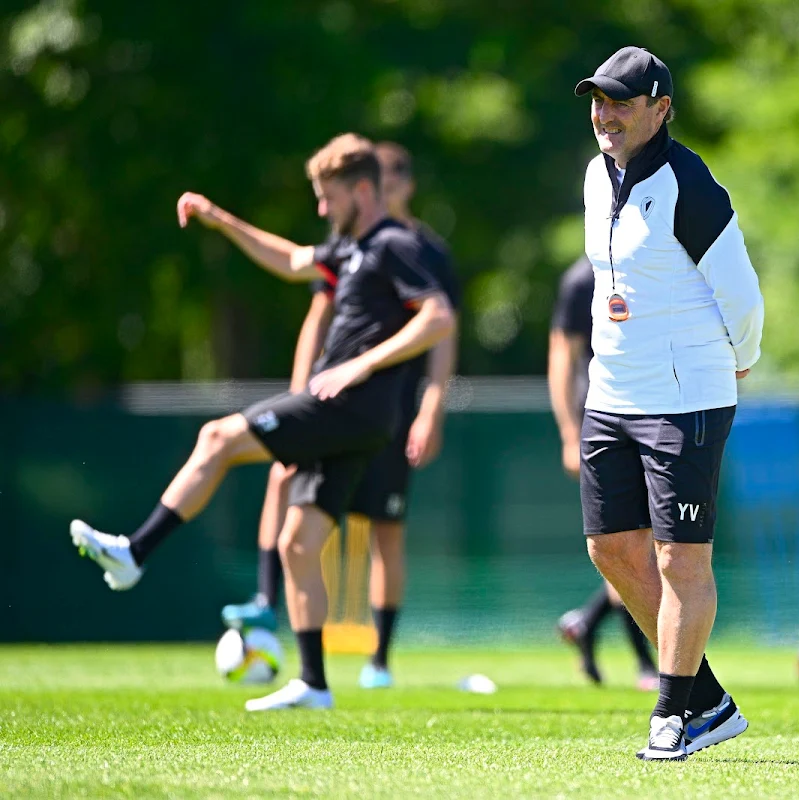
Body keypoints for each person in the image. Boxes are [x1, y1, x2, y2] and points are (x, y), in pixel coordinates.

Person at [69, 133, 457, 711]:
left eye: (328, 198)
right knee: (299, 543)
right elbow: (291, 259)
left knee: (217, 436)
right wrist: (220, 219)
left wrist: (359, 367)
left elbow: (438, 318)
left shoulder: (395, 244)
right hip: (355, 419)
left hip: (349, 408)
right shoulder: (346, 248)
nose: (322, 211)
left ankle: (135, 553)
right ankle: (315, 684)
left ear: (360, 190)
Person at [206, 142, 460, 689]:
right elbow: (318, 311)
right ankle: (267, 604)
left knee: (386, 530)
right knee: (287, 494)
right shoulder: (350, 244)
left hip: (387, 407)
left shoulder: (419, 249)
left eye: (393, 185)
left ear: (401, 187)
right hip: (334, 401)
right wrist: (299, 399)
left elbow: (443, 327)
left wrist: (431, 407)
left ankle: (379, 660)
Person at [573, 47, 765, 760]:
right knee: (610, 549)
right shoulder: (596, 175)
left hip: (687, 397)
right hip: (613, 392)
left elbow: (742, 294)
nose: (605, 114)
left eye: (622, 101)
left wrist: (740, 361)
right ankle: (709, 698)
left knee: (681, 559)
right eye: (598, 100)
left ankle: (673, 712)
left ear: (662, 109)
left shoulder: (689, 182)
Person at [550, 255, 657, 690]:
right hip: (603, 422)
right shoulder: (580, 278)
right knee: (631, 544)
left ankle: (588, 625)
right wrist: (567, 432)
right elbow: (562, 357)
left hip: (649, 416)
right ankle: (647, 664)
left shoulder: (651, 267)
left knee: (639, 546)